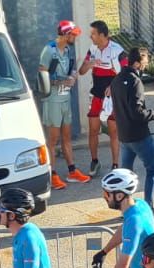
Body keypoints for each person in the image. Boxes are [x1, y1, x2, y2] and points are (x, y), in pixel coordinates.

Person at [93, 169, 154, 268]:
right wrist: (104, 251)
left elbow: (122, 267)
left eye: (107, 193)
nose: (104, 197)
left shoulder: (135, 220)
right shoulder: (138, 205)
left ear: (120, 195)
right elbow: (124, 229)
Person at [40, 20, 89, 189]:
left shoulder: (68, 50)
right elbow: (42, 75)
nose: (75, 37)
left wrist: (73, 78)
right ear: (66, 34)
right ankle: (52, 175)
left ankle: (72, 171)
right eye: (73, 34)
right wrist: (59, 82)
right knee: (52, 140)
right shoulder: (49, 50)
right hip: (53, 100)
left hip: (65, 98)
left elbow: (72, 70)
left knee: (66, 136)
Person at [111, 45, 154, 207]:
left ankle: (125, 207)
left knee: (125, 176)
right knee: (153, 170)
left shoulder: (116, 80)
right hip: (140, 136)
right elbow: (137, 112)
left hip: (124, 137)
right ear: (137, 63)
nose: (147, 64)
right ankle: (149, 207)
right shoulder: (136, 82)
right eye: (145, 60)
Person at [79, 20, 123, 176]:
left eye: (93, 34)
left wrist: (114, 87)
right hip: (96, 95)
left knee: (113, 131)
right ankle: (94, 161)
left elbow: (126, 74)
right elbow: (81, 71)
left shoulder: (117, 50)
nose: (91, 36)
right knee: (93, 130)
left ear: (103, 35)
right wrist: (89, 63)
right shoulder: (92, 49)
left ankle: (116, 165)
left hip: (112, 98)